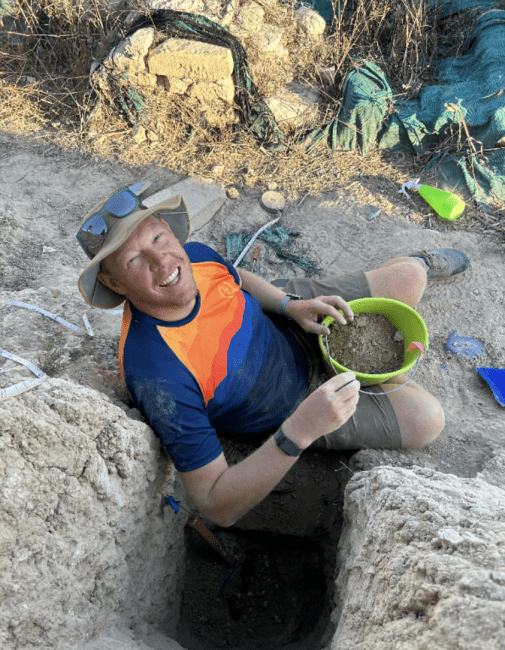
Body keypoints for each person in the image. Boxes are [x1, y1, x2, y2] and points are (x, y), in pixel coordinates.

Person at [77, 185, 471, 528]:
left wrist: (288, 305)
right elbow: (215, 504)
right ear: (113, 282)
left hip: (291, 322)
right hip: (295, 402)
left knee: (409, 279)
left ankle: (420, 265)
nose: (162, 262)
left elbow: (236, 277)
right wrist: (300, 430)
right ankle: (383, 379)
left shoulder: (192, 257)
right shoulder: (159, 374)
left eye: (159, 239)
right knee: (426, 419)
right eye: (134, 260)